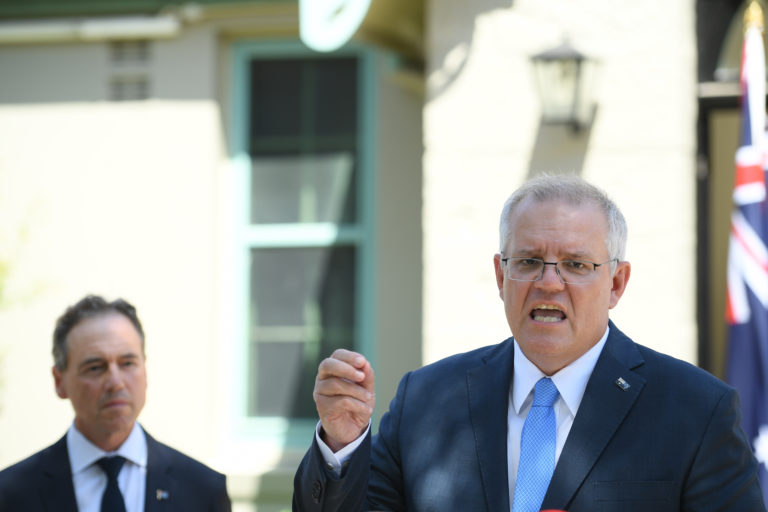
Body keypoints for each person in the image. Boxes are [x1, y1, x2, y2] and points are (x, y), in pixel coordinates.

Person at [293, 174, 765, 511]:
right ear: (501, 276)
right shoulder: (426, 400)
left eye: (577, 265)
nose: (549, 283)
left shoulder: (695, 411)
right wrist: (343, 443)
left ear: (617, 284)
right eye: (529, 261)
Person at [0, 295, 232, 511]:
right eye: (95, 367)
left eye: (127, 363)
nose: (115, 382)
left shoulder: (203, 489)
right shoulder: (12, 493)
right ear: (60, 381)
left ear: (146, 370)